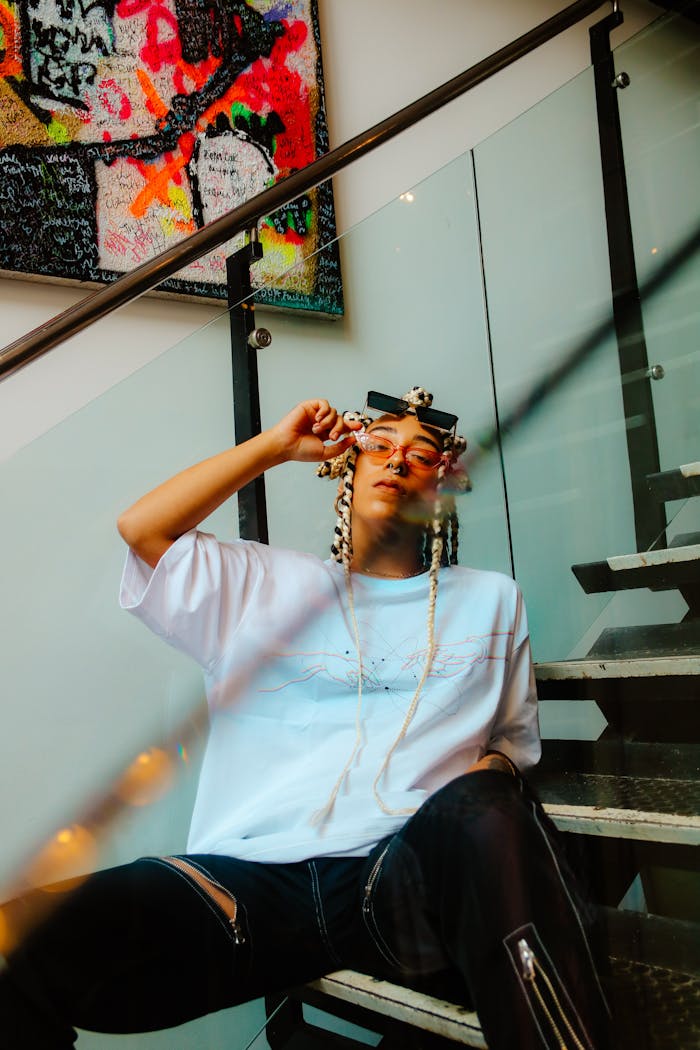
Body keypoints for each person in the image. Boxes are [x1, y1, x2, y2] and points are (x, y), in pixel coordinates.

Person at [0, 387, 609, 1049]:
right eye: (379, 446)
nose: (397, 460)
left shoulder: (492, 600)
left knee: (490, 803)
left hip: (394, 879)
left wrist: (461, 820)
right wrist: (275, 447)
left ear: (447, 479)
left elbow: (506, 752)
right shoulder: (259, 582)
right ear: (347, 466)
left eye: (420, 451)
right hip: (245, 887)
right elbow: (143, 528)